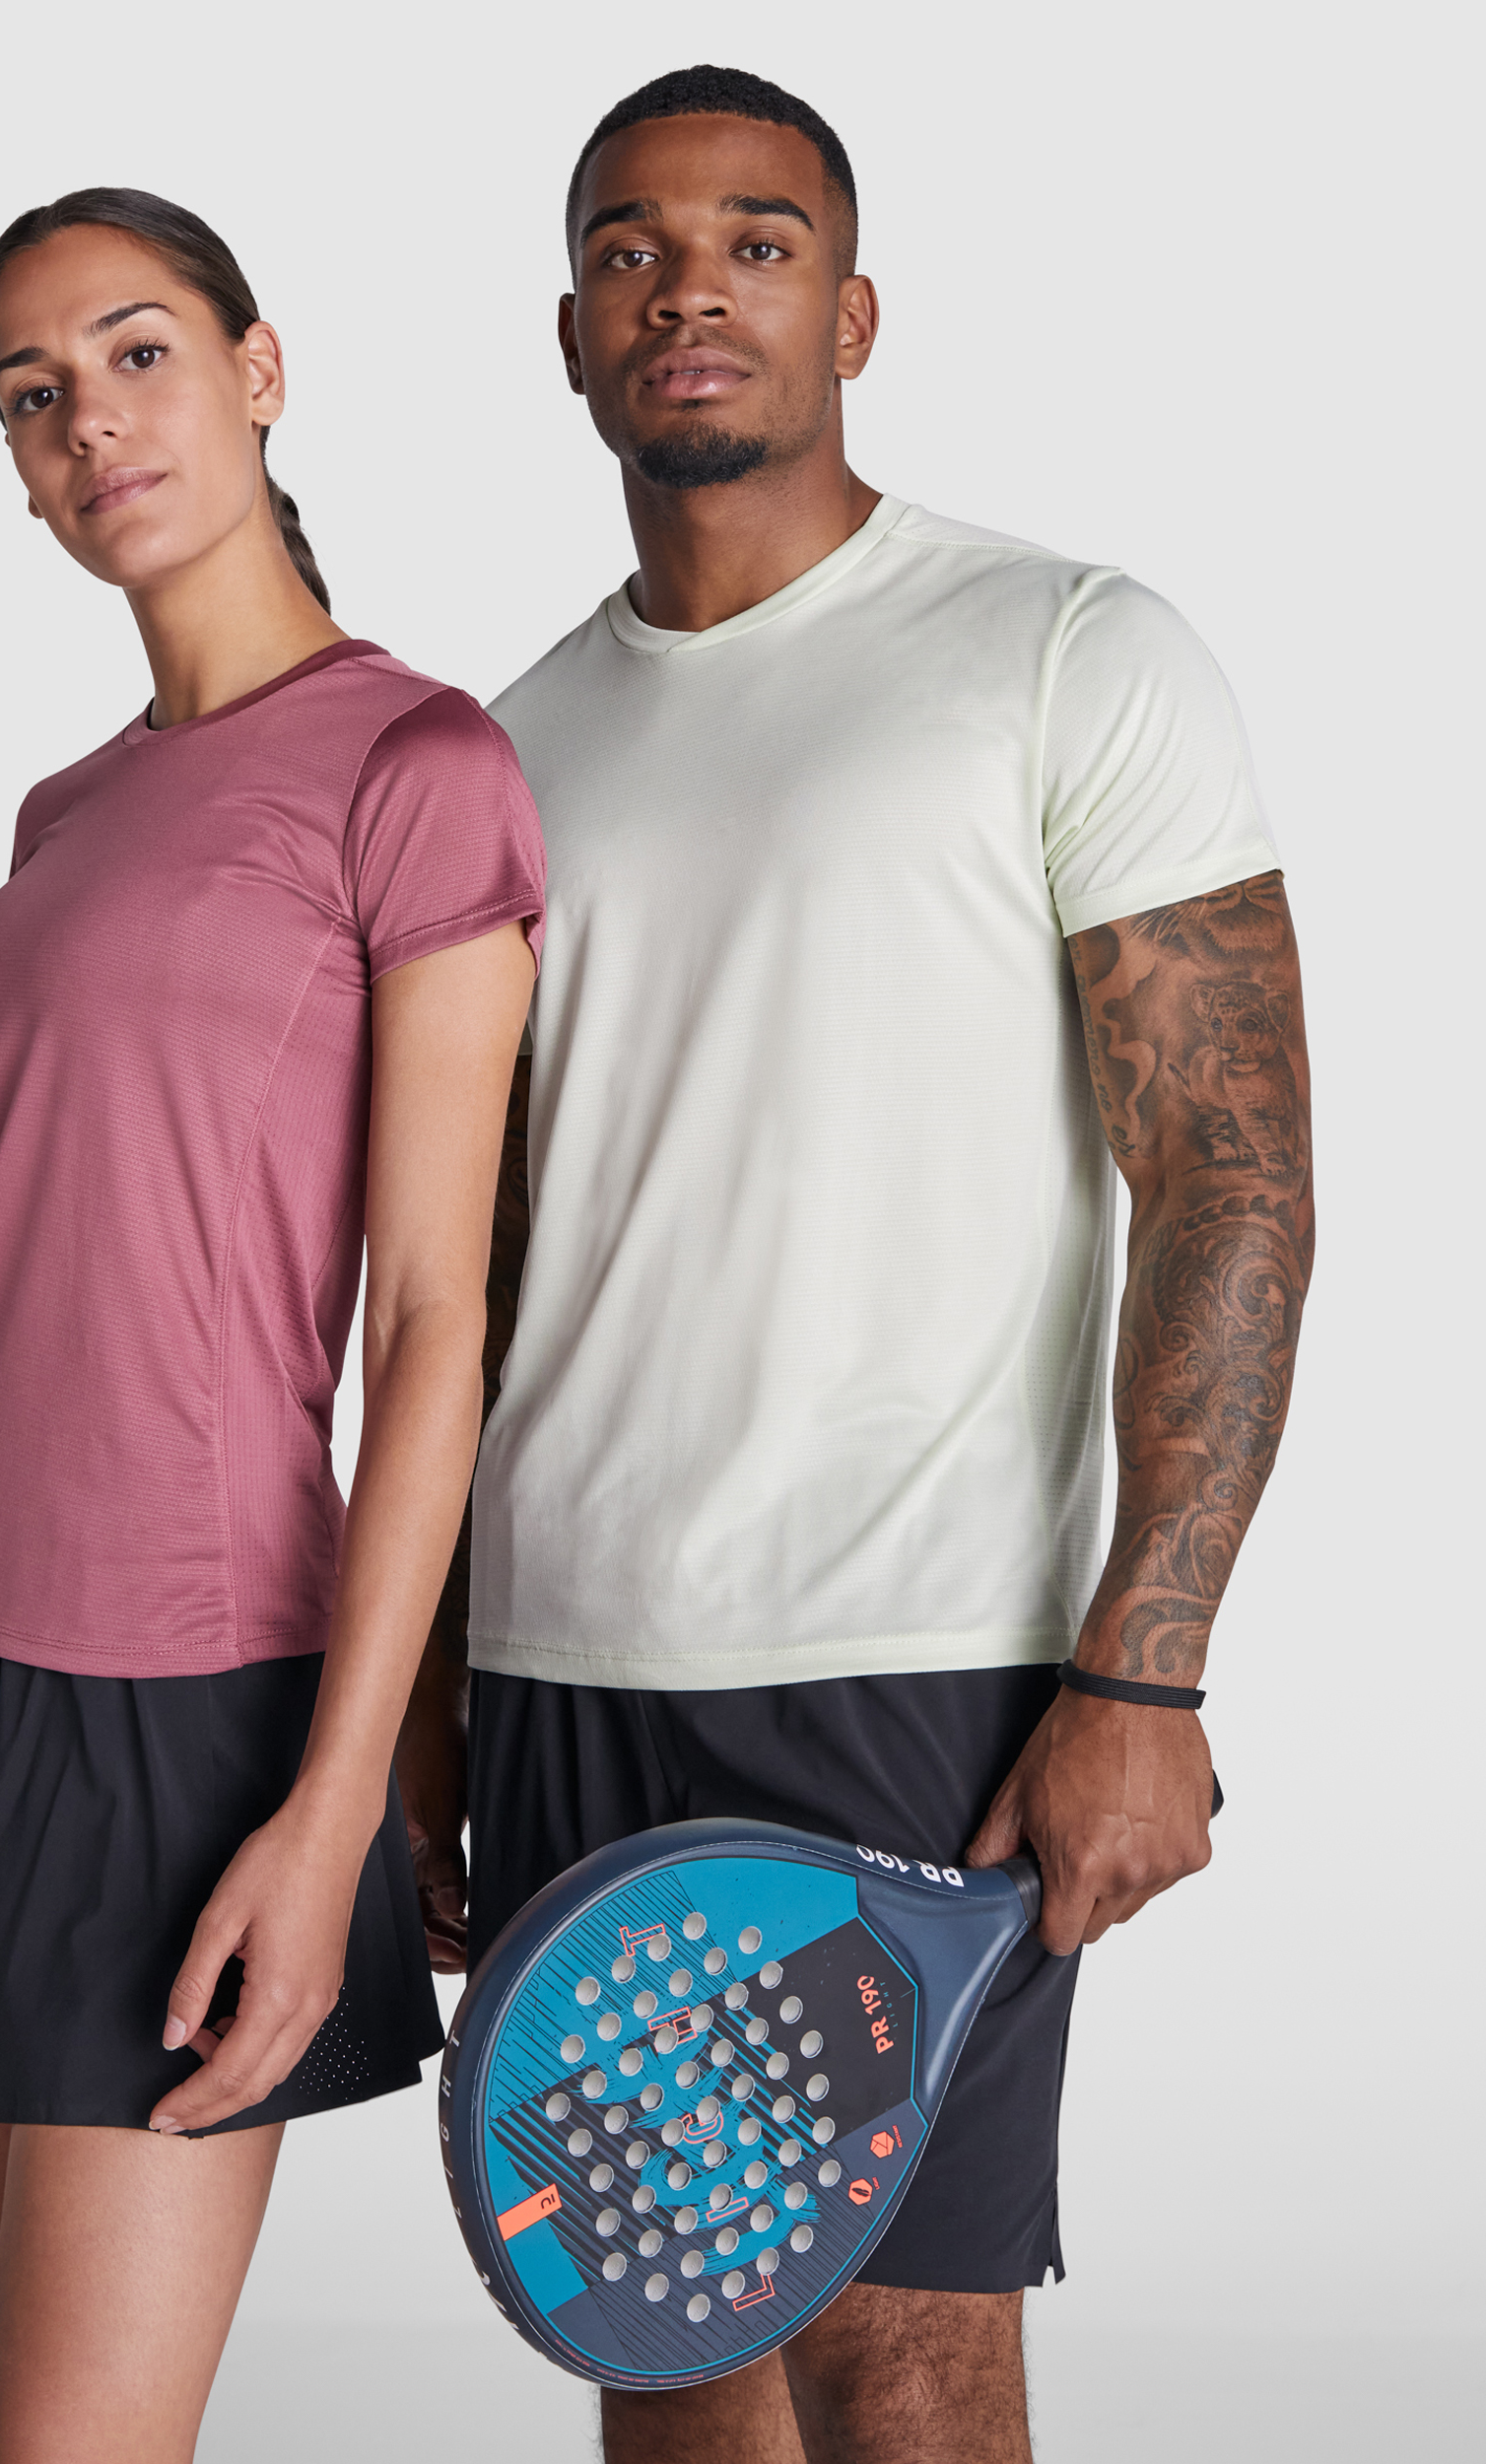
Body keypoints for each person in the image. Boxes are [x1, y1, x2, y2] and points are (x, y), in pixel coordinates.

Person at [397, 65, 1313, 2464]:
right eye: (626, 248)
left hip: (909, 1662)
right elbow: (479, 1261)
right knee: (665, 2352)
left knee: (900, 2363)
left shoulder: (1064, 645)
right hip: (568, 1653)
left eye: (757, 239)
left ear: (854, 311)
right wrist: (426, 1685)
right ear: (568, 333)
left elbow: (1226, 1174)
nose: (686, 285)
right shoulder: (501, 753)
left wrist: (1146, 1659)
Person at [0, 187, 543, 2461]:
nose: (89, 423)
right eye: (31, 395)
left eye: (136, 353)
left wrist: (336, 1804)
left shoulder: (419, 768)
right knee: (25, 2371)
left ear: (258, 369)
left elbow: (435, 1320)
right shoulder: (68, 805)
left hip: (180, 1702)